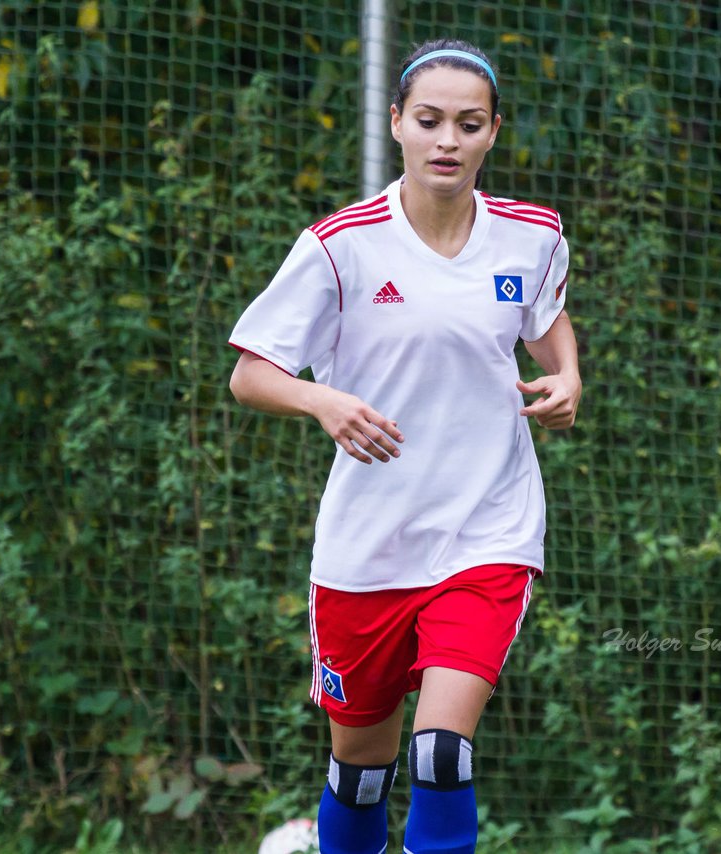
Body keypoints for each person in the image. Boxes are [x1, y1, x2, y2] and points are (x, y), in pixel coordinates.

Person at [228, 37, 581, 854]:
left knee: (441, 751)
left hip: (485, 531)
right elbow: (250, 375)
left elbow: (546, 319)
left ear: (495, 131)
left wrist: (567, 378)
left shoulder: (532, 238)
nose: (447, 141)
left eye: (468, 123)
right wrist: (322, 401)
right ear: (397, 125)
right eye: (429, 121)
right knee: (361, 771)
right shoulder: (340, 247)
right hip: (367, 547)